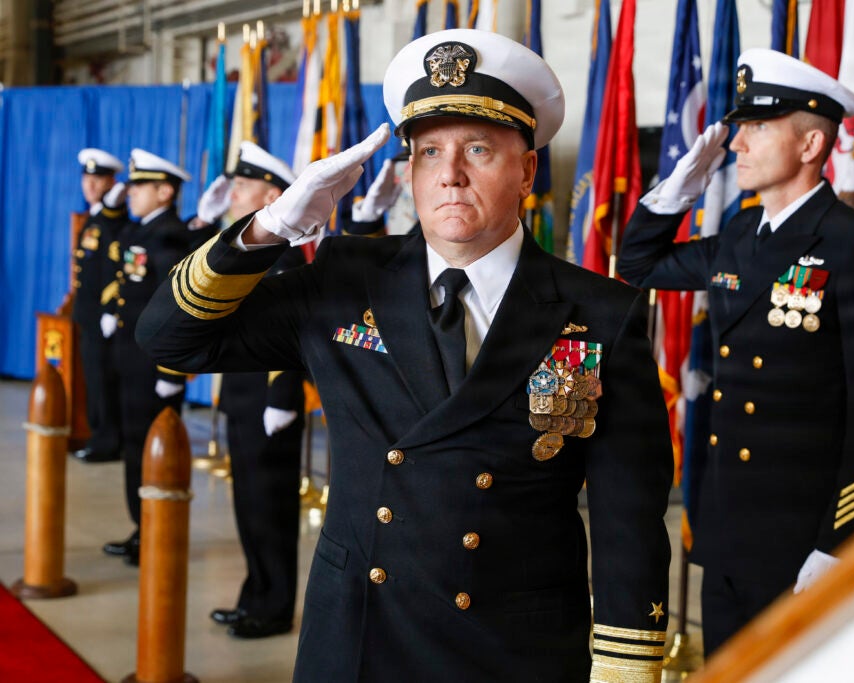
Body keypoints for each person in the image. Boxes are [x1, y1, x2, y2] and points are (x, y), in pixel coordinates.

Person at [138, 29, 673, 682]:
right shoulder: (342, 279)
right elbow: (168, 337)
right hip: (361, 639)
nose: (449, 173)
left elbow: (630, 524)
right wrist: (272, 224)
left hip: (514, 650)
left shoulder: (600, 315)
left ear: (528, 170)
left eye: (477, 149)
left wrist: (624, 670)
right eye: (427, 152)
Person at [617, 48, 854, 656]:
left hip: (803, 537)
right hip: (727, 529)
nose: (737, 144)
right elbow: (638, 265)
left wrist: (843, 544)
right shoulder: (738, 233)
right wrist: (674, 194)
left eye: (757, 127)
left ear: (809, 146)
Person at [194, 142, 308, 639]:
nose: (233, 192)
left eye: (243, 185)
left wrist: (283, 398)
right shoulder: (245, 252)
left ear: (272, 194)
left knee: (270, 511)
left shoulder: (283, 258)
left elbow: (294, 335)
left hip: (269, 407)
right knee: (248, 507)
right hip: (243, 400)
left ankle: (274, 606)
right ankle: (254, 596)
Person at [100, 149, 194, 567]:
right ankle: (142, 527)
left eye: (141, 186)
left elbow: (178, 308)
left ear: (165, 190)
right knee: (134, 449)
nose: (132, 192)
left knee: (152, 450)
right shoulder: (139, 232)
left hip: (154, 367)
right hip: (128, 358)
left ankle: (156, 530)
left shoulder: (172, 236)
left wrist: (172, 371)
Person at [70, 148, 126, 463]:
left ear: (111, 182)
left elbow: (115, 267)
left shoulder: (110, 217)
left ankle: (107, 440)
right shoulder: (92, 217)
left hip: (103, 315)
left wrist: (109, 310)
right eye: (87, 178)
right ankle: (97, 434)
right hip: (88, 313)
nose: (90, 185)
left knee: (104, 379)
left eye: (98, 179)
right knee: (94, 377)